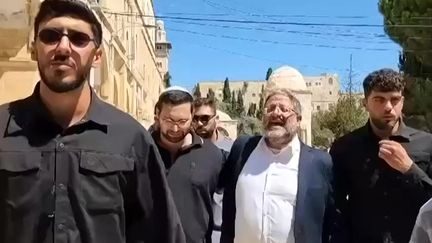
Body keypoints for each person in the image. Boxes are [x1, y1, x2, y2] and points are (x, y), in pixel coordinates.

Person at [0, 1, 185, 242]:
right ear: (34, 47)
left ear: (97, 56)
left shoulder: (130, 138)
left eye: (78, 39)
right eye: (50, 36)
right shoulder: (3, 126)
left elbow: (162, 233)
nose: (63, 47)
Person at [330, 68, 432, 243]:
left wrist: (409, 169)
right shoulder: (345, 147)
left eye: (394, 100)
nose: (388, 107)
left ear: (402, 101)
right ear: (365, 103)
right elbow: (336, 207)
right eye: (379, 100)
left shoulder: (427, 144)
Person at [220, 88, 335, 243]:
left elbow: (329, 218)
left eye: (284, 109)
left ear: (298, 120)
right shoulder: (243, 148)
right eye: (270, 108)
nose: (275, 113)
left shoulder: (319, 162)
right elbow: (228, 206)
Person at [152, 87, 225, 243]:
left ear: (192, 116)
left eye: (182, 121)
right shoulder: (140, 149)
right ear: (157, 115)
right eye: (169, 120)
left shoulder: (212, 156)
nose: (175, 128)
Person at [192, 97, 233, 243]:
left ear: (216, 119)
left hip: (221, 234)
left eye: (205, 118)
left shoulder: (232, 151)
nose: (200, 123)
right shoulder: (189, 151)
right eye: (195, 119)